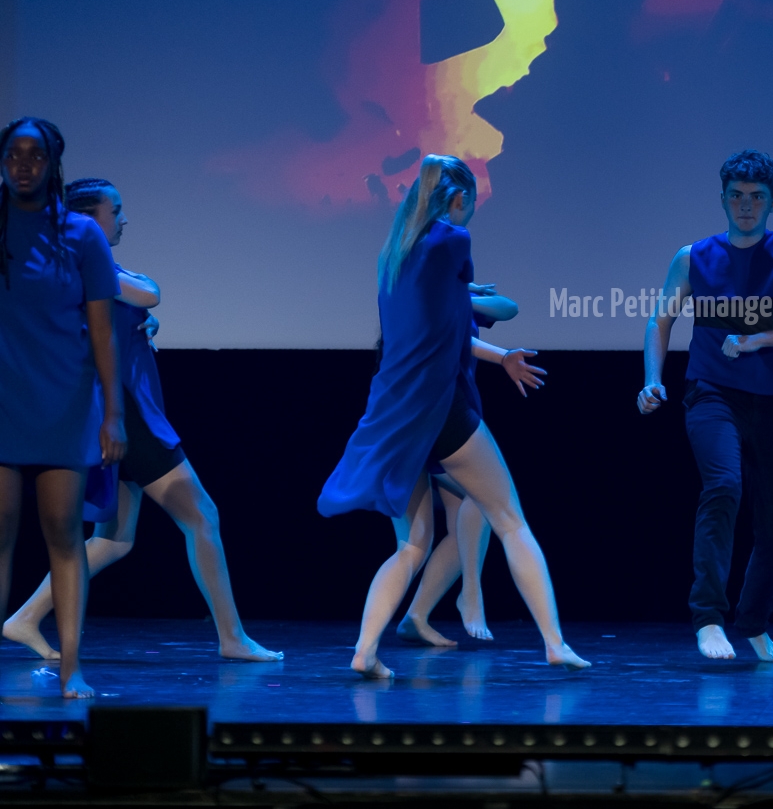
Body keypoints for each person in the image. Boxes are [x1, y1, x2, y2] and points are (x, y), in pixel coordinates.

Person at [319, 155, 586, 677]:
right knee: (509, 520)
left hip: (392, 414)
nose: (471, 213)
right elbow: (473, 313)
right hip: (439, 410)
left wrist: (489, 337)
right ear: (458, 198)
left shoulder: (394, 255)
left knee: (411, 544)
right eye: (472, 203)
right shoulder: (452, 241)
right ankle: (554, 643)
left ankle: (364, 651)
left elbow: (442, 324)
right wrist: (475, 301)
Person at [1, 178, 281, 663]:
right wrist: (142, 311)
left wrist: (139, 322)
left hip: (123, 411)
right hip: (127, 414)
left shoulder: (87, 266)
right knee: (202, 516)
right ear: (88, 219)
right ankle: (232, 637)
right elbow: (149, 293)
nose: (124, 219)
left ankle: (25, 618)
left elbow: (137, 306)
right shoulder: (84, 263)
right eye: (116, 211)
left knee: (114, 539)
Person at [637, 150, 773, 661]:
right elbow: (660, 320)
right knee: (724, 486)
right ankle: (708, 618)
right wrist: (651, 380)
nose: (745, 205)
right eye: (736, 195)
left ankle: (752, 623)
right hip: (711, 393)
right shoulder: (693, 257)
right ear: (723, 198)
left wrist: (762, 339)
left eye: (756, 197)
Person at [0, 118, 125, 698]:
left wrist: (112, 413)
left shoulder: (82, 234)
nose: (23, 164)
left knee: (63, 531)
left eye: (35, 155)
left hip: (64, 401)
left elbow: (103, 331)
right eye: (13, 154)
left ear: (53, 164)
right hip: (3, 398)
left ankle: (72, 667)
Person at [396, 292, 548, 647]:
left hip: (452, 417)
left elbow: (509, 308)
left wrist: (464, 291)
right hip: (432, 416)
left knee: (458, 529)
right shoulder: (423, 301)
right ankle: (471, 594)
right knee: (474, 502)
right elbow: (457, 342)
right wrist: (503, 356)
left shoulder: (454, 295)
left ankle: (416, 616)